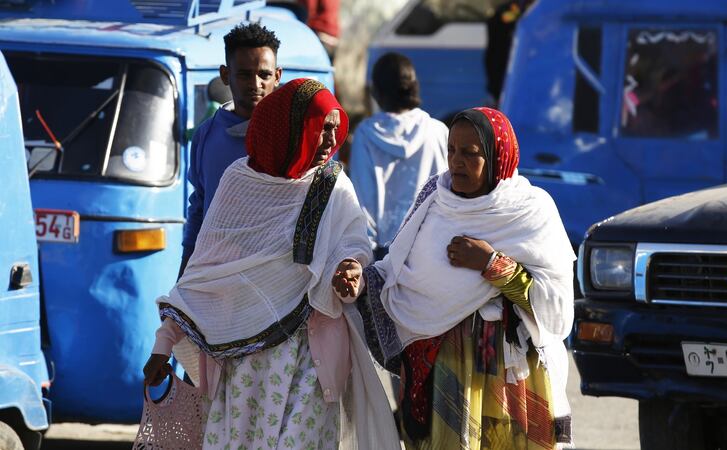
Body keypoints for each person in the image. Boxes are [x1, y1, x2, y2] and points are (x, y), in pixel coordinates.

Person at [143, 78, 399, 449]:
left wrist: (351, 271)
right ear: (290, 128)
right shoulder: (239, 183)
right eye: (321, 128)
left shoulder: (333, 185)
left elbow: (353, 247)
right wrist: (162, 346)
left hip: (310, 360)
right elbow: (205, 275)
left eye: (334, 128)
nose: (330, 140)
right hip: (242, 365)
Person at [333, 107, 575, 449]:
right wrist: (361, 280)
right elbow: (398, 267)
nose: (456, 161)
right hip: (442, 367)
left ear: (498, 158)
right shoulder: (435, 196)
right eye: (451, 150)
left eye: (470, 153)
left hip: (506, 369)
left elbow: (555, 307)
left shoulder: (530, 210)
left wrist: (491, 264)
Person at [180, 23, 283, 278]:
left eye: (264, 75)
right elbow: (199, 206)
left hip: (275, 275)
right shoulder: (206, 135)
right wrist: (186, 269)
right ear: (226, 75)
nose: (255, 83)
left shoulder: (291, 135)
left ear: (278, 76)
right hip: (217, 272)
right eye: (244, 74)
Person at [349, 52, 448, 257]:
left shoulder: (365, 134)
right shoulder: (438, 131)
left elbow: (362, 198)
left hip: (384, 252)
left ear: (376, 92)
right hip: (433, 245)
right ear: (414, 86)